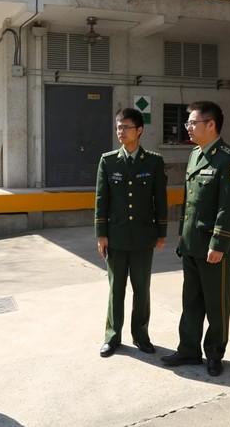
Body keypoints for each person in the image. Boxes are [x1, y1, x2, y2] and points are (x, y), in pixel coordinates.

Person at [161, 101, 230, 377]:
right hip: (192, 243)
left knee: (216, 304)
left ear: (211, 124)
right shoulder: (195, 155)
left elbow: (229, 208)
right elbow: (189, 202)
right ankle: (188, 349)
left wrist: (218, 244)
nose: (187, 127)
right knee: (191, 301)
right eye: (187, 122)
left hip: (212, 247)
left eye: (192, 122)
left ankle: (214, 353)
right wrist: (182, 237)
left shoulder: (229, 160)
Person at [94, 108, 168, 358]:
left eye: (126, 127)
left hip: (143, 236)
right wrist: (101, 234)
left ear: (140, 130)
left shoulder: (154, 161)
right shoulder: (108, 161)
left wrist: (162, 232)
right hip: (116, 236)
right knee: (116, 289)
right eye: (118, 127)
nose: (121, 131)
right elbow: (101, 199)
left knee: (141, 289)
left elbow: (160, 199)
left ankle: (141, 335)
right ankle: (112, 336)